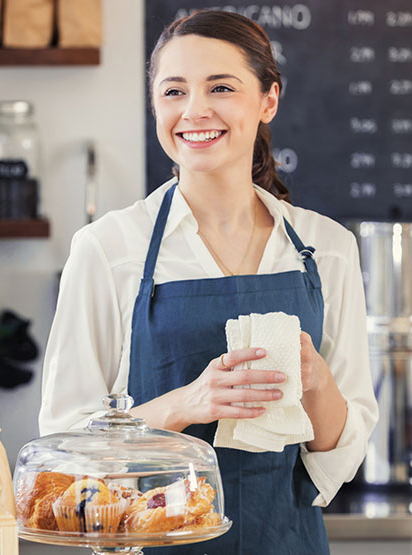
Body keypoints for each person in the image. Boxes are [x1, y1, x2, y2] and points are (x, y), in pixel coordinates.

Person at [39, 9, 378, 554]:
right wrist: (187, 403)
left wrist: (316, 381)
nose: (194, 111)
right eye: (173, 92)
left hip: (287, 541)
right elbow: (64, 447)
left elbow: (342, 448)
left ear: (268, 100)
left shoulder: (327, 248)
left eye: (220, 87)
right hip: (147, 544)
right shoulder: (108, 250)